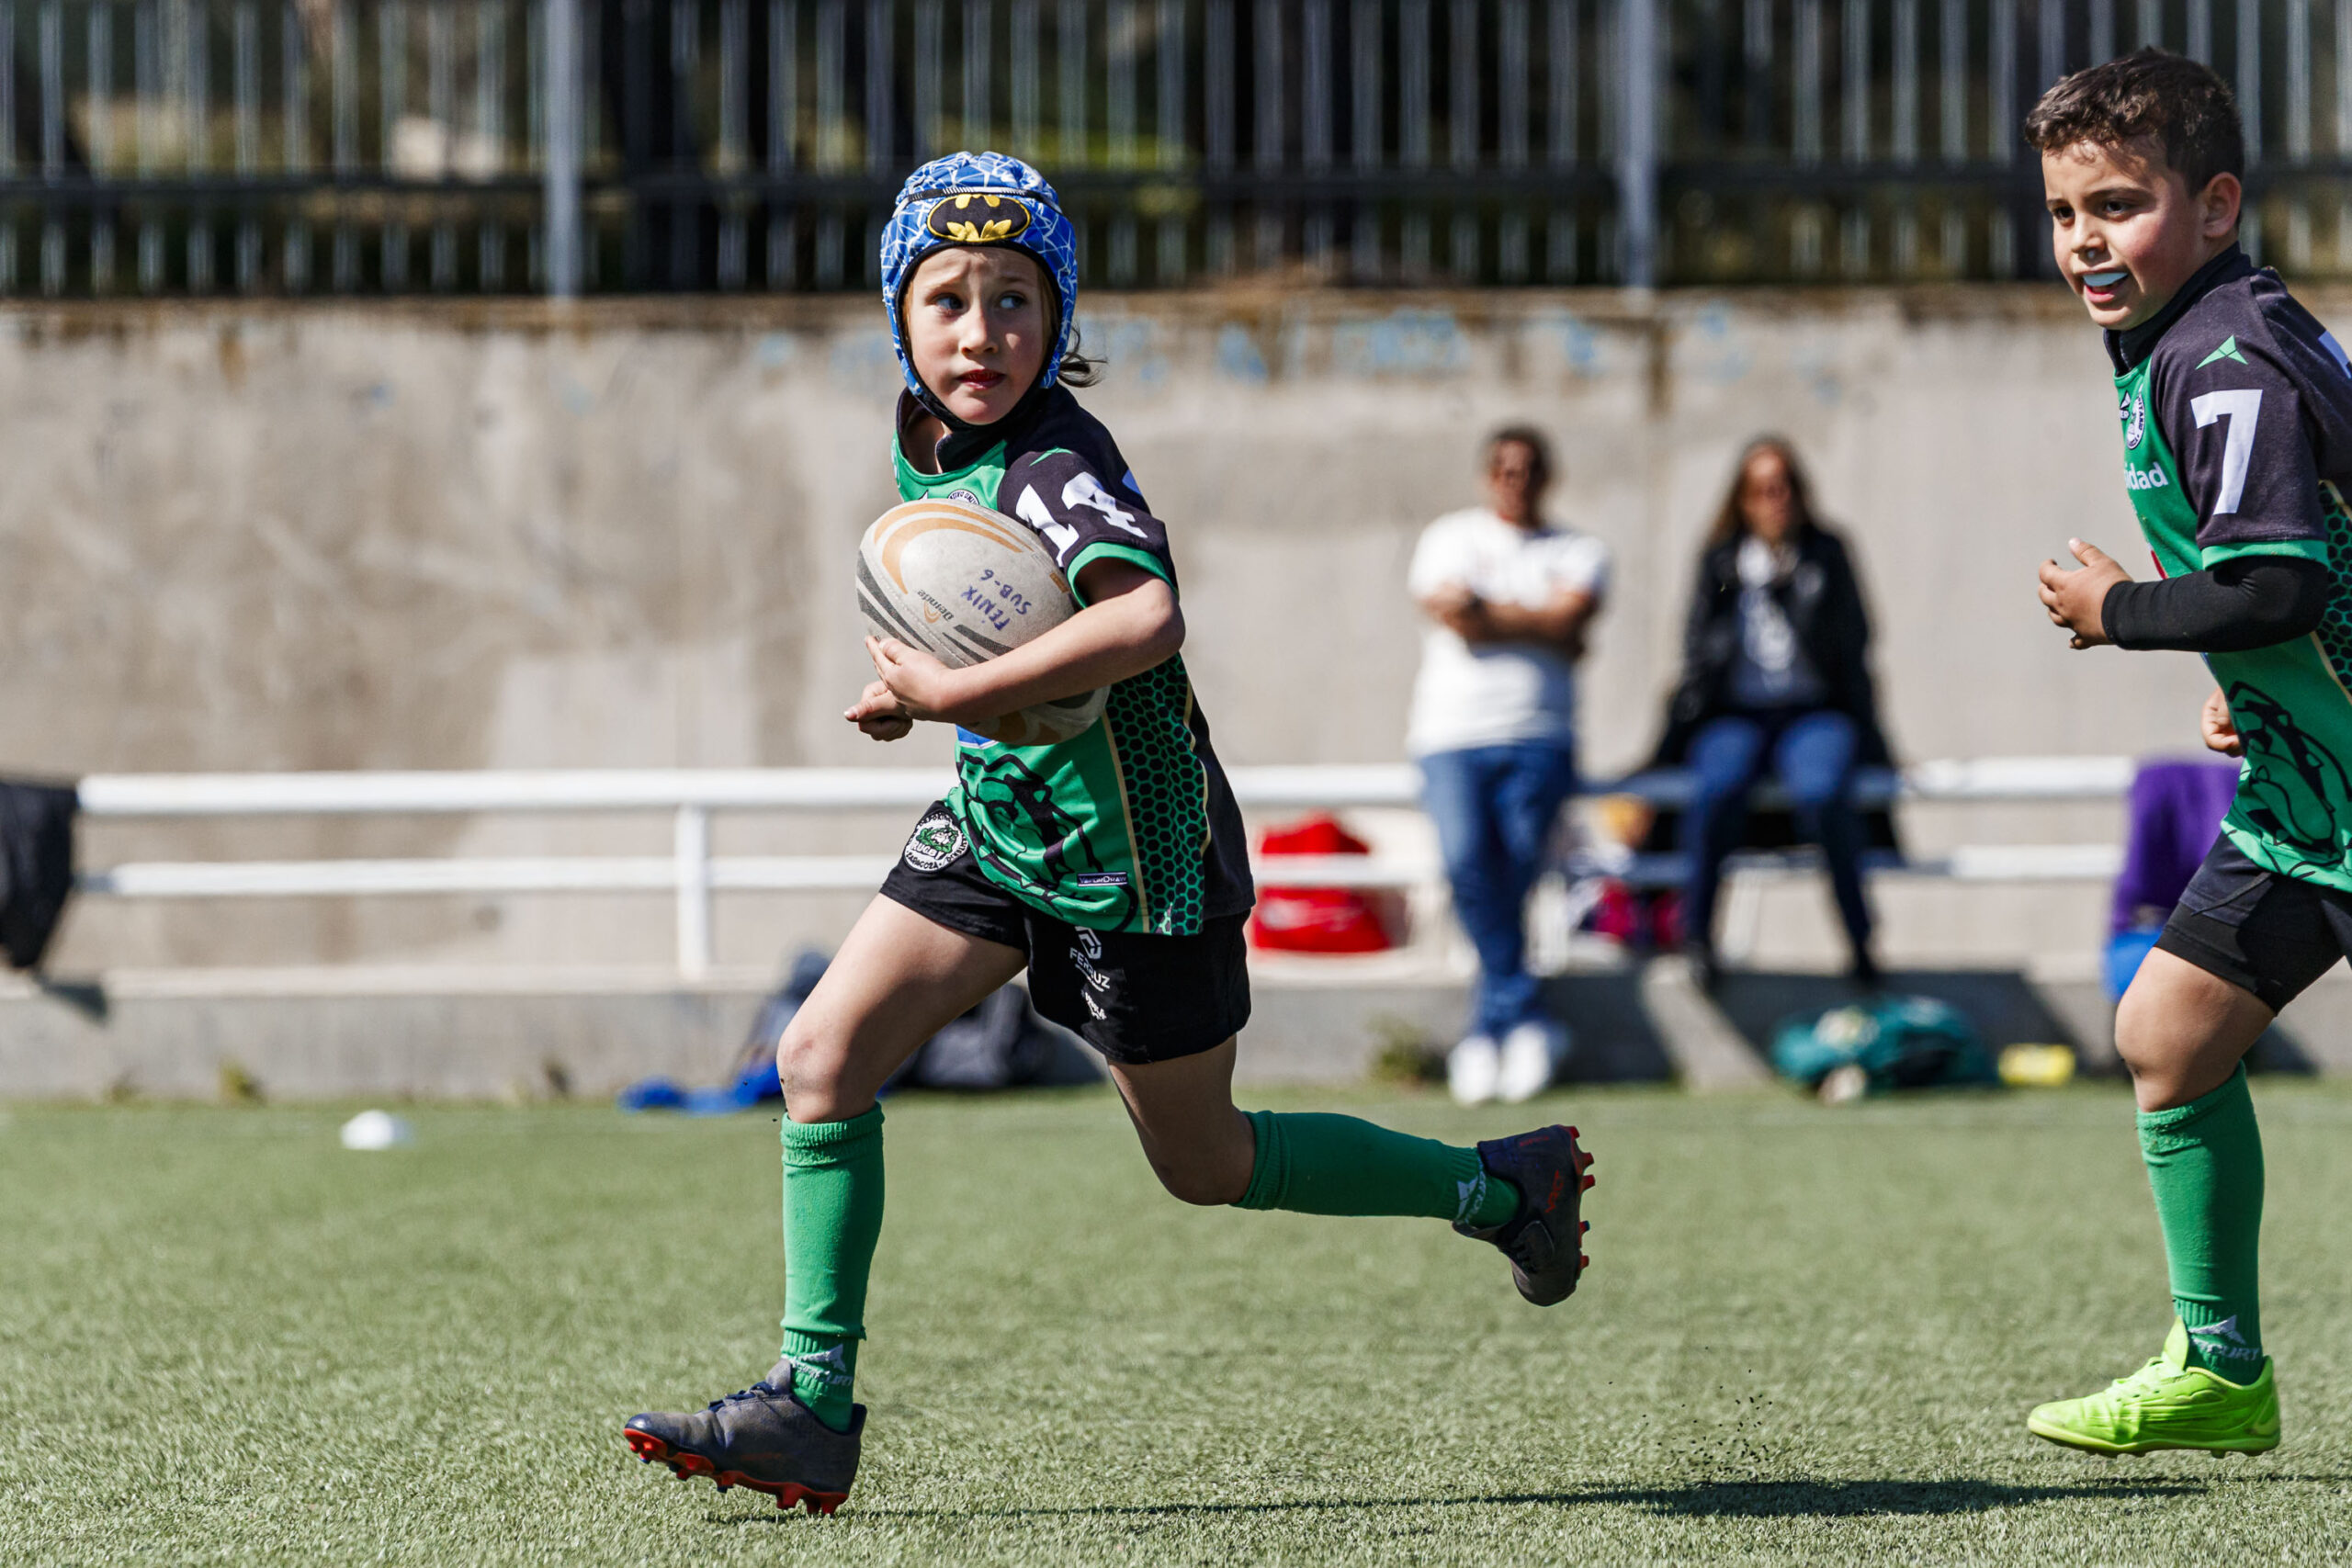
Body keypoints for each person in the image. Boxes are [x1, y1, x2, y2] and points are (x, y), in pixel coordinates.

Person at [617, 152, 1595, 1515]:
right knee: (819, 1056)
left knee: (1206, 1163)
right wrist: (933, 694)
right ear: (896, 314)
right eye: (947, 299)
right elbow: (999, 627)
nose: (980, 333)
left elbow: (1145, 616)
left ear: (1059, 316)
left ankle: (1501, 1189)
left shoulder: (1054, 462)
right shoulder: (930, 431)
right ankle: (812, 1404)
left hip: (1135, 863)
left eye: (1015, 301)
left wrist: (956, 693)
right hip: (1003, 820)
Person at [2025, 48, 2341, 1458]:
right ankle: (2220, 1369)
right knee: (2169, 1030)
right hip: (2312, 796)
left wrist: (2122, 612)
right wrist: (2260, 687)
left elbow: (2279, 580)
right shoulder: (2192, 337)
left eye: (2119, 204)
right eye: (2063, 210)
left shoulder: (2222, 356)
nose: (2085, 240)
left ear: (2216, 205)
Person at [1407, 428, 1608, 1105]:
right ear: (1486, 475)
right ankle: (1520, 1019)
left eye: (1527, 469)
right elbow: (1455, 613)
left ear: (1547, 476)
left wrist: (1491, 612)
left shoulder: (1578, 549)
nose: (1514, 480)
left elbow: (1568, 618)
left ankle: (1488, 1031)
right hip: (1452, 735)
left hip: (1540, 735)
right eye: (1502, 468)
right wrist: (1542, 621)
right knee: (1466, 862)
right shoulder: (1449, 536)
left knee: (1517, 872)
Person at [1653, 437, 1892, 990]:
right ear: (1742, 499)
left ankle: (1859, 937)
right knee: (1716, 787)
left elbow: (1856, 641)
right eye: (1761, 490)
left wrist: (1794, 591)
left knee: (1823, 790)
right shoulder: (1721, 560)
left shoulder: (1826, 554)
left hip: (1813, 711)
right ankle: (1697, 936)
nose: (1774, 500)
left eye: (1783, 487)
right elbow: (1696, 650)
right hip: (1736, 714)